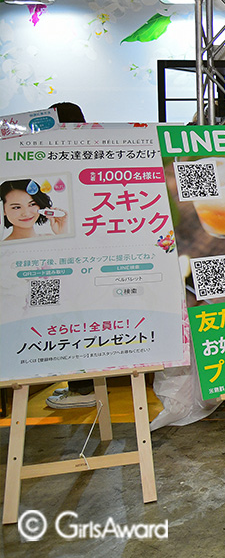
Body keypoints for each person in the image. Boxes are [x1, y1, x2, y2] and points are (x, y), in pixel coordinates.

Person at [44, 101, 98, 409]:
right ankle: (84, 386)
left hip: (66, 259)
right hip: (97, 257)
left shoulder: (54, 157)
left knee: (73, 320)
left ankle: (82, 389)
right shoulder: (96, 153)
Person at [1, 180, 66, 240]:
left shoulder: (50, 238)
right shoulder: (4, 246)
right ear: (2, 210)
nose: (26, 213)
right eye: (16, 207)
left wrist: (61, 233)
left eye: (32, 204)